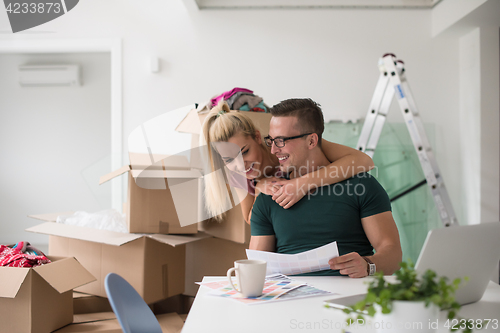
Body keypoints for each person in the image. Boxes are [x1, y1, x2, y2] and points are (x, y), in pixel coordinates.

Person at [249, 98, 402, 278]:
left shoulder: (361, 186)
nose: (274, 150)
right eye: (271, 140)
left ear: (312, 141)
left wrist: (368, 265)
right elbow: (255, 270)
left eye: (281, 141)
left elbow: (393, 255)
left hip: (351, 299)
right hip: (290, 301)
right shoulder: (269, 197)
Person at [202, 100, 375, 224]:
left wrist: (301, 184)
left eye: (245, 152)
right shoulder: (237, 174)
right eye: (229, 160)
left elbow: (363, 161)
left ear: (257, 137)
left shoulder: (291, 146)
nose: (241, 165)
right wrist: (260, 187)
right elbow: (249, 218)